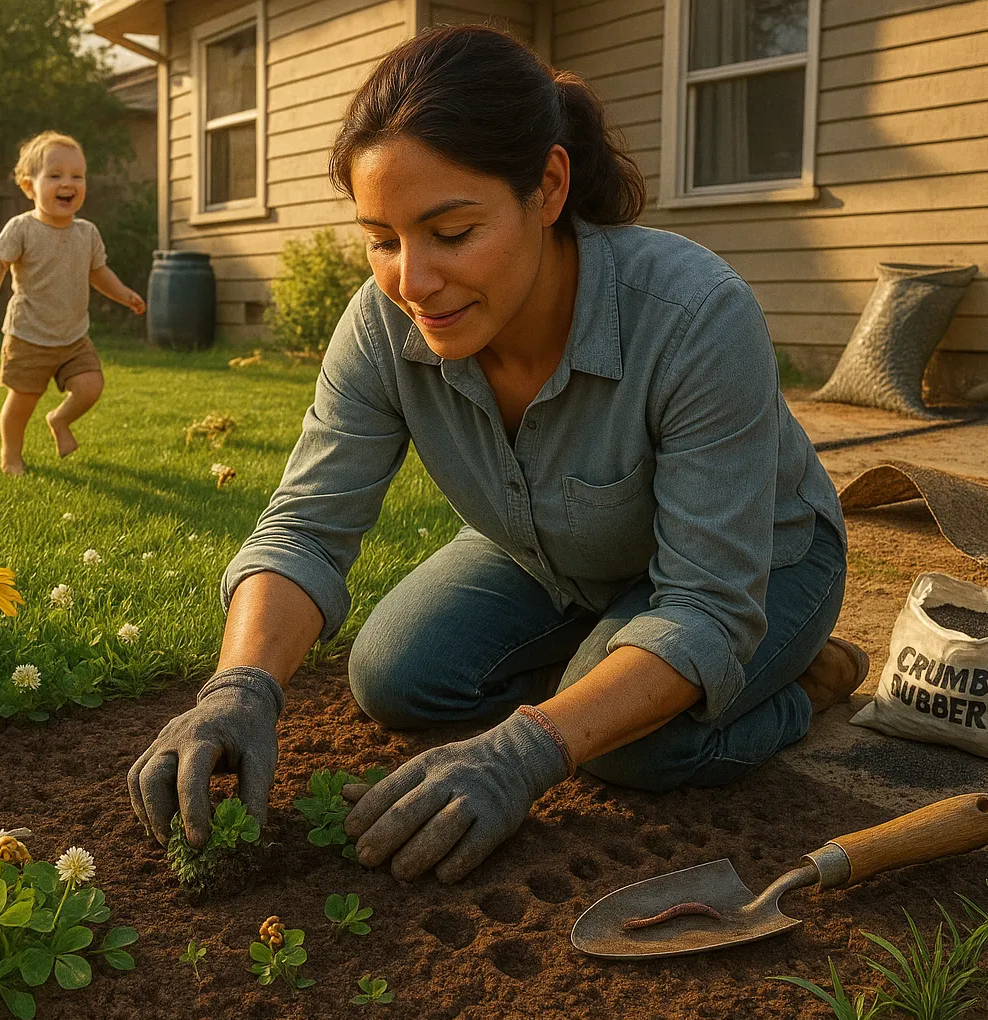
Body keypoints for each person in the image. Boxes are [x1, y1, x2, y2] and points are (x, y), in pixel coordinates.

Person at [128, 26, 869, 885]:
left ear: (548, 187)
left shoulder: (693, 316)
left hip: (764, 562)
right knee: (394, 677)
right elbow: (305, 527)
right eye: (382, 238)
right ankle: (611, 668)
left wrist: (529, 749)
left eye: (451, 231)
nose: (413, 280)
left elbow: (705, 603)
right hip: (548, 550)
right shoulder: (382, 323)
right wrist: (239, 687)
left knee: (634, 754)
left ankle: (803, 684)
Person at [0, 131, 146, 475]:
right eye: (55, 175)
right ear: (28, 186)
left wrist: (123, 293)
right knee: (21, 402)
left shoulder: (87, 233)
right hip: (28, 335)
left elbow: (98, 273)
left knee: (91, 386)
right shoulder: (21, 228)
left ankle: (60, 420)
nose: (68, 182)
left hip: (72, 337)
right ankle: (11, 455)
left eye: (76, 176)